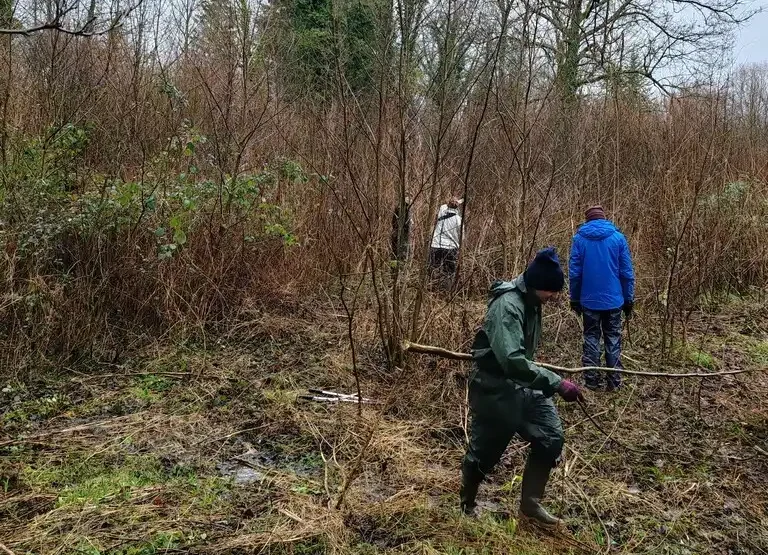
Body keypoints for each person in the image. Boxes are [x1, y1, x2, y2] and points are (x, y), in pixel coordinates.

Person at [461, 247, 583, 525]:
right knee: (484, 453)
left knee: (551, 437)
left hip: (525, 386)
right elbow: (513, 361)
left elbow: (523, 361)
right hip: (495, 388)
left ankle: (530, 508)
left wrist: (543, 381)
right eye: (551, 291)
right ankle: (466, 504)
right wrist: (556, 382)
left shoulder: (533, 302)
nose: (554, 297)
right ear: (537, 285)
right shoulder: (507, 306)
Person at [568, 205, 635, 391]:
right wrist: (628, 299)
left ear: (587, 219)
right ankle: (614, 383)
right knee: (613, 338)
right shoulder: (618, 238)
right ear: (604, 218)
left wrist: (574, 298)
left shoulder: (579, 240)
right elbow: (627, 273)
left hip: (588, 300)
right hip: (614, 300)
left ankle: (591, 382)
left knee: (591, 337)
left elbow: (575, 274)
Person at [429, 196, 463, 288]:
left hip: (436, 245)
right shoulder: (458, 220)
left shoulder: (441, 212)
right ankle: (445, 292)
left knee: (432, 269)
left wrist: (453, 202)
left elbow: (444, 206)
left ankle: (431, 289)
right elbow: (462, 236)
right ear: (457, 207)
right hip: (450, 248)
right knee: (449, 272)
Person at [390, 195, 412, 263]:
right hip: (401, 235)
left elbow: (393, 222)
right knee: (401, 255)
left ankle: (393, 270)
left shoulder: (398, 207)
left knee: (394, 255)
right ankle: (399, 271)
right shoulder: (404, 209)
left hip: (395, 233)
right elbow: (407, 225)